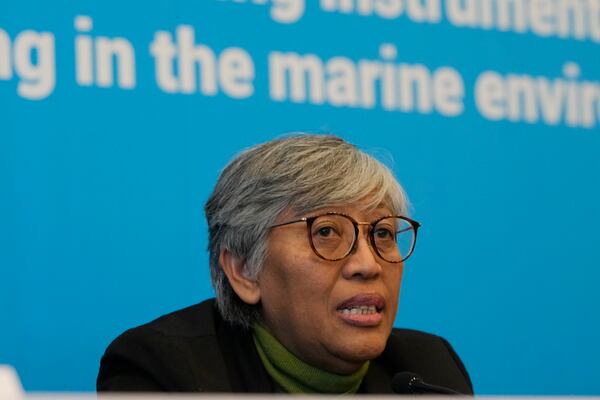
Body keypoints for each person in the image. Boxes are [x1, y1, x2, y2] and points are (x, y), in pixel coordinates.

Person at [97, 134, 473, 394]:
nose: (367, 264)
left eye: (383, 235)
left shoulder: (430, 371)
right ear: (244, 270)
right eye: (326, 232)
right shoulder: (165, 370)